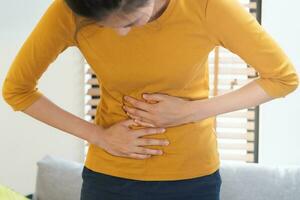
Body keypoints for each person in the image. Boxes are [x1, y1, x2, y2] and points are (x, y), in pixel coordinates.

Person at [2, 0, 299, 199]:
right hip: (108, 180)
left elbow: (283, 78)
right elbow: (17, 89)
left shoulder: (206, 6)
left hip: (191, 180)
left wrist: (189, 112)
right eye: (103, 25)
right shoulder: (73, 8)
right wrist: (99, 136)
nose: (118, 34)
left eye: (130, 22)